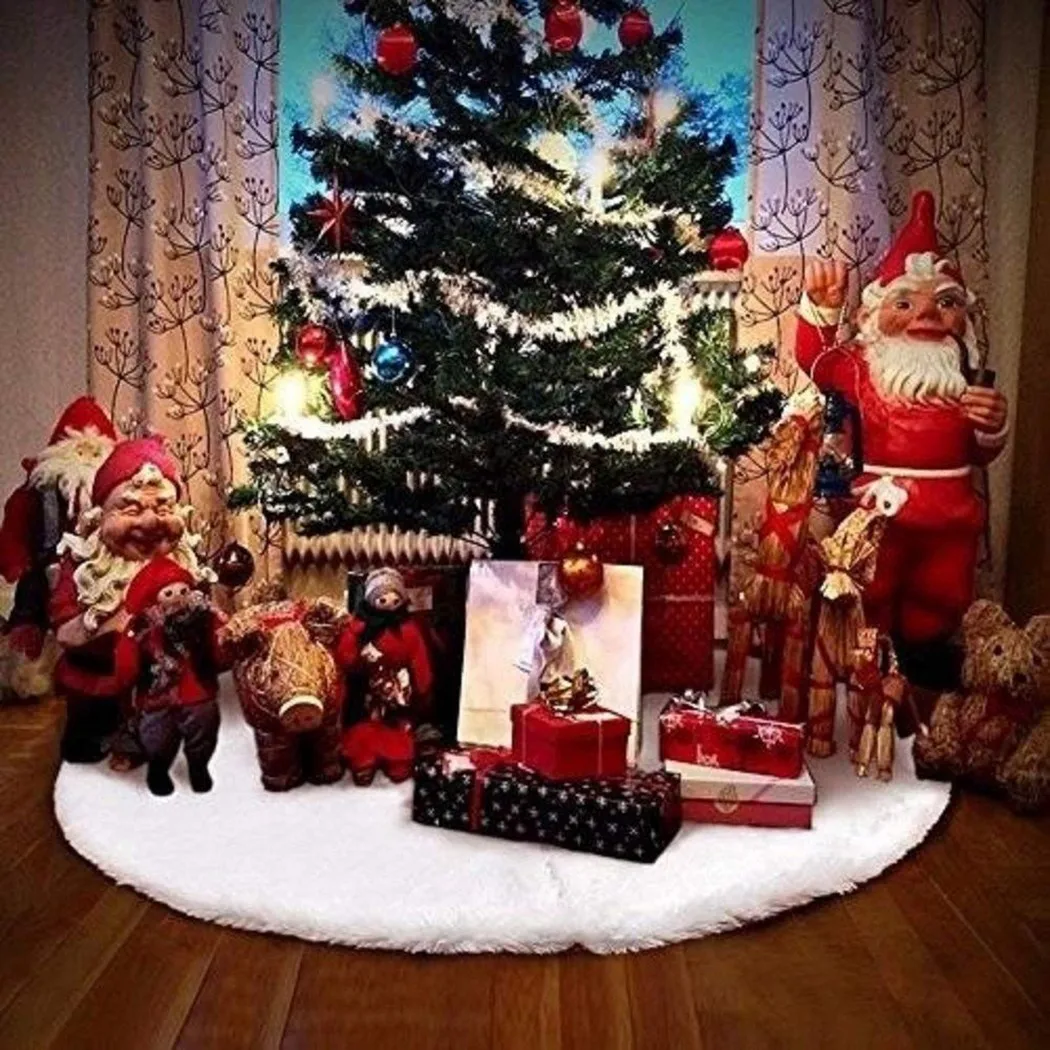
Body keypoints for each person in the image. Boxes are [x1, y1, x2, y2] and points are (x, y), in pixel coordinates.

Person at [795, 190, 1008, 682]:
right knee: (873, 586)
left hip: (950, 518)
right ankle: (867, 664)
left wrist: (991, 425)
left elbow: (981, 452)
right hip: (879, 513)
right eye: (906, 303)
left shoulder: (964, 376)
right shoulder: (861, 366)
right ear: (873, 315)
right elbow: (817, 364)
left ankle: (922, 666)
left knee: (942, 593)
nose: (927, 315)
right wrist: (822, 311)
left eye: (946, 302)